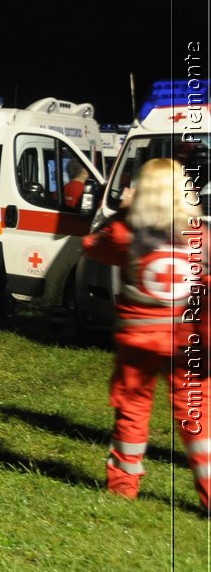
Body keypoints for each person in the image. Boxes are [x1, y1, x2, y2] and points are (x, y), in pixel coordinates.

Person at [82, 158, 211, 508]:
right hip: (187, 342)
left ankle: (124, 486)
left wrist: (121, 212)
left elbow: (92, 245)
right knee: (198, 418)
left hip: (138, 340)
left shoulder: (125, 233)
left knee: (133, 410)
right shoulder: (201, 236)